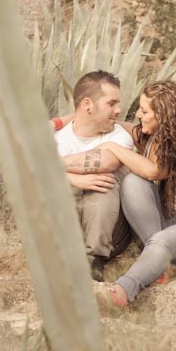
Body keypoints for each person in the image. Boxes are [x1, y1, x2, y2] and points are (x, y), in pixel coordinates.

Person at [90, 80, 176, 314]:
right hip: (165, 227)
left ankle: (121, 292)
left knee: (163, 240)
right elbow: (111, 122)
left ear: (164, 115)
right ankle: (159, 267)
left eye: (145, 110)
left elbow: (154, 170)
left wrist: (113, 146)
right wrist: (60, 121)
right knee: (133, 182)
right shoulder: (149, 135)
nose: (138, 114)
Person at [52, 70, 134, 279]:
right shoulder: (56, 139)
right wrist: (73, 178)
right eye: (111, 103)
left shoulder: (119, 135)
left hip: (109, 235)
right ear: (88, 105)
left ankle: (93, 264)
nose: (119, 109)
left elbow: (107, 161)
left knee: (104, 180)